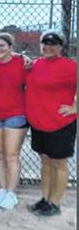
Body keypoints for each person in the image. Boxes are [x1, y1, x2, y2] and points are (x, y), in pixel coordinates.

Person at [25, 30, 76, 217]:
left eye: (53, 44)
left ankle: (55, 202)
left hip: (60, 123)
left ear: (61, 47)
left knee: (58, 163)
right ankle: (45, 198)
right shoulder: (36, 64)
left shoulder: (69, 66)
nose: (48, 47)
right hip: (39, 122)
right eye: (45, 43)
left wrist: (75, 107)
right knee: (45, 161)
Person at [0, 33, 28, 210]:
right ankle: (2, 189)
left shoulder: (21, 63)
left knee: (11, 155)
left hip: (16, 113)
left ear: (10, 47)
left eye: (1, 45)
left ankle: (12, 193)